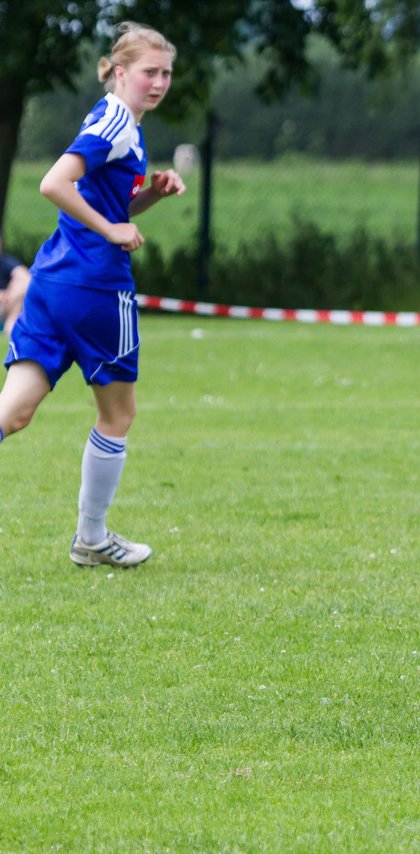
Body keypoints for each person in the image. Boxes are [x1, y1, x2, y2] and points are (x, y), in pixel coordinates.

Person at [0, 22, 185, 568]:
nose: (159, 82)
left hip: (51, 280)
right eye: (149, 72)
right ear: (121, 71)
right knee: (118, 415)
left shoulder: (113, 118)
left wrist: (147, 196)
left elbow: (108, 204)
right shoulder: (116, 121)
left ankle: (93, 538)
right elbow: (53, 183)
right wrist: (111, 233)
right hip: (95, 287)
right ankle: (92, 537)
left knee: (12, 412)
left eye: (167, 73)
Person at [0, 237, 31, 337]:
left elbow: (24, 276)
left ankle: (9, 328)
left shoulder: (5, 261)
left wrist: (10, 295)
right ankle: (10, 329)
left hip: (6, 305)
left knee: (24, 280)